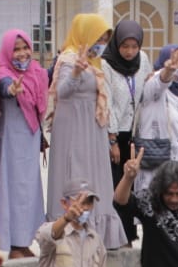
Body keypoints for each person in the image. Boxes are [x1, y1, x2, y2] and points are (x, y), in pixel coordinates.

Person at [47, 13, 126, 250]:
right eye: (97, 38)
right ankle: (69, 229)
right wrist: (75, 74)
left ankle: (100, 233)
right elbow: (61, 92)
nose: (100, 44)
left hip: (92, 128)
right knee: (76, 173)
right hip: (73, 128)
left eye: (104, 40)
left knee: (96, 175)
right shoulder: (69, 59)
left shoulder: (95, 63)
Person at [0, 29, 49, 257]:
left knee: (30, 192)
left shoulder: (36, 72)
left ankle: (25, 241)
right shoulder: (2, 74)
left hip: (30, 141)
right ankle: (15, 244)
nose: (22, 53)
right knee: (13, 191)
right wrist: (12, 89)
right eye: (16, 49)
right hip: (11, 146)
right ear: (7, 51)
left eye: (25, 47)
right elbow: (4, 86)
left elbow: (50, 77)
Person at [104, 19, 152, 245]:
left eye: (134, 46)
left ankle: (130, 234)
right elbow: (108, 102)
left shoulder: (143, 60)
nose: (130, 51)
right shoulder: (106, 63)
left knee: (133, 184)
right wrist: (112, 139)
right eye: (125, 46)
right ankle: (117, 235)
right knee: (117, 185)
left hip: (135, 132)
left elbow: (148, 88)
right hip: (115, 134)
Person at [135, 44, 178, 195]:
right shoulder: (153, 86)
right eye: (176, 60)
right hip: (154, 162)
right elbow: (161, 82)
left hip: (177, 164)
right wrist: (167, 71)